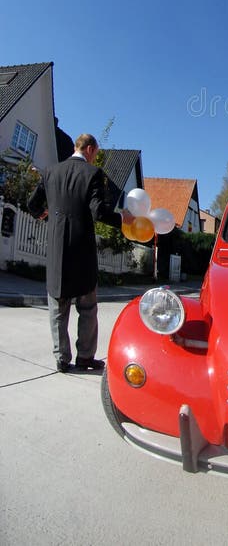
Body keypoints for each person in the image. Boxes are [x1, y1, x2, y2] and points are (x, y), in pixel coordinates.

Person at [28, 133, 133, 373]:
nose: (95, 157)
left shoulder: (51, 172)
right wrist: (123, 219)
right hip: (82, 251)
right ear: (90, 149)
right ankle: (85, 357)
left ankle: (61, 359)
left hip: (56, 250)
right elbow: (100, 213)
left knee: (57, 306)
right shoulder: (92, 174)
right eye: (95, 153)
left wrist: (43, 213)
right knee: (87, 308)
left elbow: (32, 204)